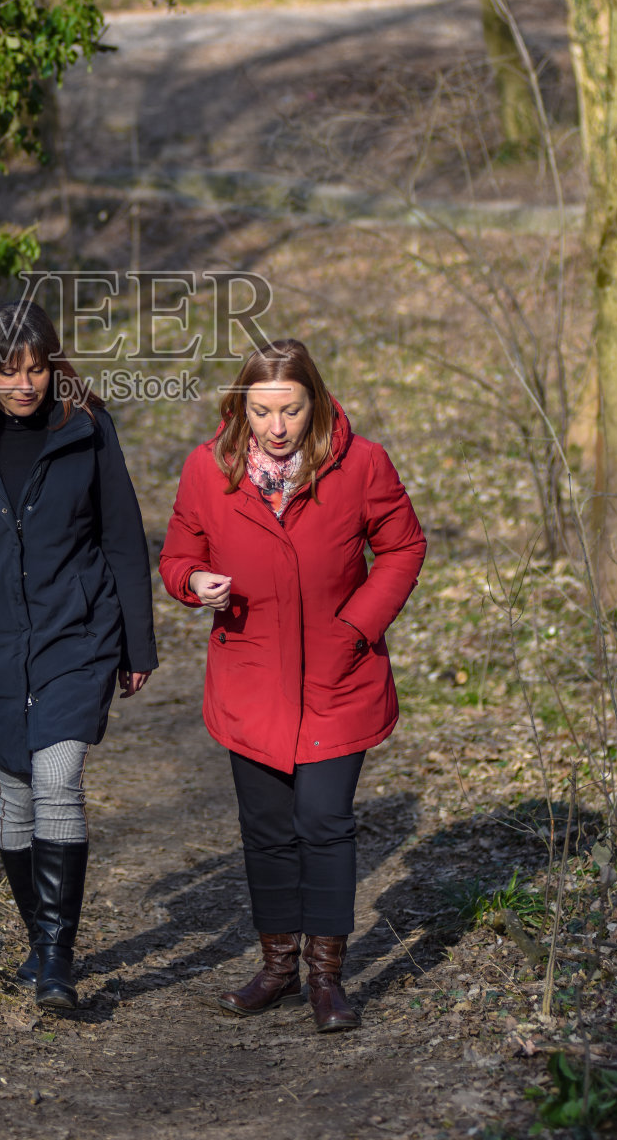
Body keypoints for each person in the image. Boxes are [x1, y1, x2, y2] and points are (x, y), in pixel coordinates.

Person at [159, 339, 425, 1029]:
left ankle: (325, 978)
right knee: (268, 829)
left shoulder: (361, 463)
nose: (277, 427)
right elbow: (179, 552)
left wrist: (358, 624)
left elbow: (403, 546)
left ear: (317, 402)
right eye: (262, 411)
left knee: (324, 822)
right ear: (241, 408)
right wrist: (193, 581)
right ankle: (276, 968)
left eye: (292, 410)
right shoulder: (208, 468)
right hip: (248, 675)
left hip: (339, 674)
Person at [0, 300, 157, 1011]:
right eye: (9, 370)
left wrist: (138, 641)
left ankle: (57, 963)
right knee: (15, 792)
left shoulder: (86, 427)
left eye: (37, 369)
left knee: (57, 776)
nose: (24, 384)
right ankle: (41, 943)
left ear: (54, 368)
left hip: (77, 632)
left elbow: (123, 536)